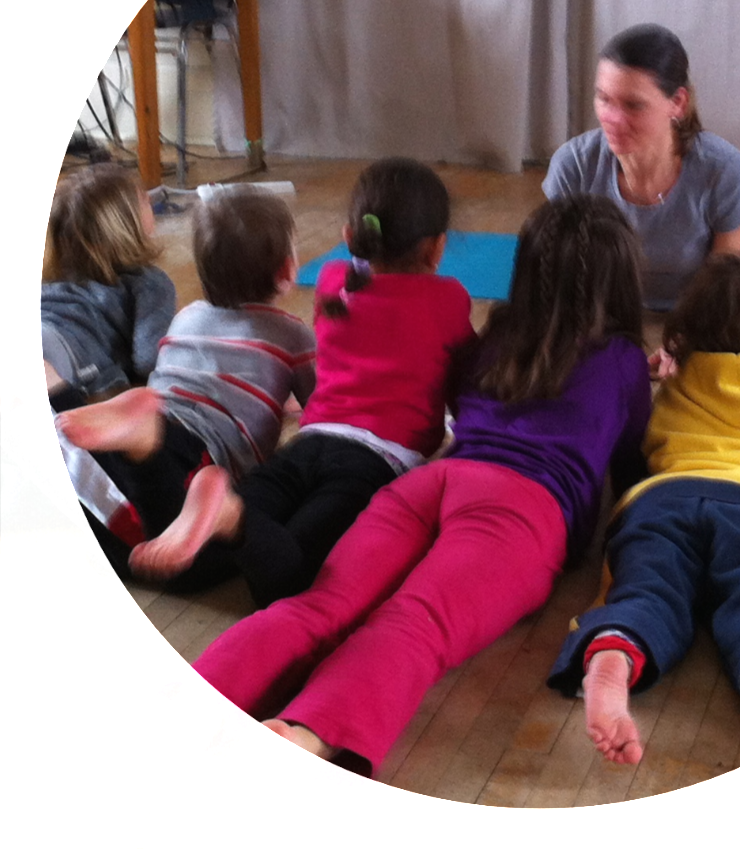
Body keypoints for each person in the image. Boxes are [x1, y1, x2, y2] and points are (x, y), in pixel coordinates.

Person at [191, 195, 654, 777]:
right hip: (521, 509)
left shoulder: (498, 334)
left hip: (431, 482)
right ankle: (304, 737)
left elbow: (461, 399)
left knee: (319, 605)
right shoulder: (622, 359)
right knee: (414, 623)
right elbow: (634, 465)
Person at [126, 159, 476, 607]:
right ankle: (232, 514)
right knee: (290, 579)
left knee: (204, 559)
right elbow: (466, 389)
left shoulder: (333, 283)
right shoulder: (449, 300)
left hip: (306, 443)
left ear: (350, 237)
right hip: (373, 463)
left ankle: (217, 500)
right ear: (437, 249)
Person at [548, 253, 740, 763]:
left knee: (646, 585)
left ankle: (616, 647)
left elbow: (648, 443)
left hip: (662, 499)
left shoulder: (681, 381)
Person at [55, 187, 317, 590]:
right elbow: (324, 408)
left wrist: (276, 407)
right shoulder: (293, 336)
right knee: (190, 557)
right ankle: (145, 436)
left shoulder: (189, 316)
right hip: (204, 453)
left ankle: (66, 394)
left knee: (118, 514)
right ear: (286, 270)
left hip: (167, 411)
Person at [542, 23, 740, 310]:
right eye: (604, 99)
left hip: (698, 303)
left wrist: (683, 342)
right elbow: (560, 276)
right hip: (706, 193)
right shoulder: (574, 166)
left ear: (677, 103)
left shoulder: (724, 168)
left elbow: (726, 295)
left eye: (633, 105)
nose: (611, 118)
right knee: (739, 186)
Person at [42, 162, 176, 405]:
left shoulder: (50, 278)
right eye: (143, 201)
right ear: (127, 225)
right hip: (71, 358)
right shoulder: (150, 282)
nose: (150, 203)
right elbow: (150, 360)